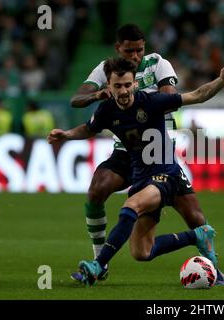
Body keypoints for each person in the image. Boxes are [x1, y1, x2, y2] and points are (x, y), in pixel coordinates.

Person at [47, 58, 224, 285]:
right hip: (141, 178)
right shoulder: (107, 110)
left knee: (132, 206)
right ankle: (197, 236)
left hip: (166, 174)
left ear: (135, 84)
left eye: (128, 85)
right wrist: (66, 135)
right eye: (118, 86)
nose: (124, 90)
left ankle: (98, 264)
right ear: (108, 87)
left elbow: (196, 95)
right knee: (142, 252)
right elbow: (89, 128)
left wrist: (222, 81)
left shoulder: (152, 102)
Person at [69, 24, 212, 281]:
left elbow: (169, 100)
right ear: (117, 49)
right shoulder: (106, 70)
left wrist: (128, 98)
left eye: (139, 50)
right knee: (97, 191)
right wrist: (99, 95)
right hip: (126, 149)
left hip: (158, 150)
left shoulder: (157, 63)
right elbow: (77, 98)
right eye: (129, 51)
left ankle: (213, 266)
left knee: (193, 215)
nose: (135, 56)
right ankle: (99, 257)